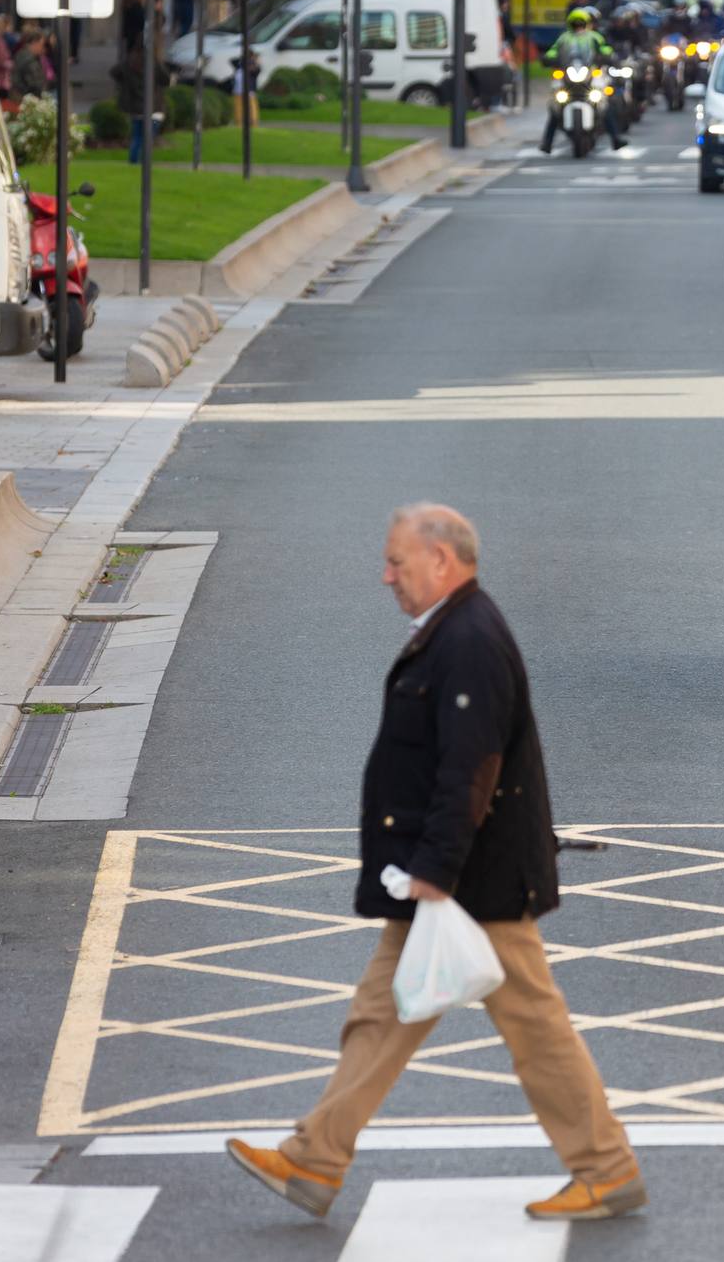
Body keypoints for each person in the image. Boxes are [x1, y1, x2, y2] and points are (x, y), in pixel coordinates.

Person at [226, 504, 646, 1224]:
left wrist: (436, 869)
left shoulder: (470, 641)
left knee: (535, 1034)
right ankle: (314, 1158)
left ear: (442, 562)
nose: (385, 575)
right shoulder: (451, 632)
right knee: (379, 1017)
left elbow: (470, 766)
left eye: (397, 561)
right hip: (452, 880)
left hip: (475, 885)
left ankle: (606, 1170)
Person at [540, 8, 626, 153]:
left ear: (587, 23)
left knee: (604, 104)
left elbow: (604, 48)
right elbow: (553, 50)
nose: (578, 27)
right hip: (568, 75)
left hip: (590, 74)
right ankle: (547, 142)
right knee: (555, 106)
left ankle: (616, 138)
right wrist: (549, 57)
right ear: (570, 24)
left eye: (581, 23)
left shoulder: (594, 37)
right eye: (575, 24)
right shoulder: (564, 38)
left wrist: (608, 55)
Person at [112, 37, 169, 165]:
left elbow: (114, 72)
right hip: (153, 106)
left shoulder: (129, 62)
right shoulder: (153, 63)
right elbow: (166, 79)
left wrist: (124, 83)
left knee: (137, 136)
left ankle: (133, 161)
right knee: (148, 137)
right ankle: (144, 162)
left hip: (136, 108)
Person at [12, 28, 53, 102]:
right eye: (41, 44)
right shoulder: (28, 59)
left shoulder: (23, 55)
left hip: (24, 98)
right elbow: (34, 84)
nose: (42, 48)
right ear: (34, 42)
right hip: (25, 99)